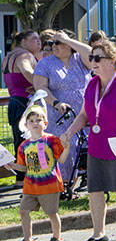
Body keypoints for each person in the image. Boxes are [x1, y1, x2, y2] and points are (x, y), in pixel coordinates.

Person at [58, 38, 116, 241]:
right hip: (97, 144)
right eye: (91, 57)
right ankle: (99, 234)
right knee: (94, 190)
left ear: (112, 61)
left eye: (98, 57)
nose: (93, 61)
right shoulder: (92, 84)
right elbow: (83, 115)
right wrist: (69, 132)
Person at [31, 30, 92, 185]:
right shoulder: (45, 63)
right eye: (52, 43)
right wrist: (56, 103)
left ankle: (89, 181)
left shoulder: (79, 59)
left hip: (85, 113)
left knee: (86, 147)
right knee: (65, 146)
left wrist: (69, 41)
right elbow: (40, 87)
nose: (54, 46)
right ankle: (64, 184)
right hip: (60, 114)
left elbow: (91, 53)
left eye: (58, 42)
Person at [7, 104, 64, 241]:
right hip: (31, 185)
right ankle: (28, 240)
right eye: (31, 121)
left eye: (38, 120)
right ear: (26, 125)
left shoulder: (52, 140)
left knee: (52, 213)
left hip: (49, 184)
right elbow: (24, 167)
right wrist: (11, 165)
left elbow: (62, 159)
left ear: (45, 123)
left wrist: (68, 146)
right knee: (23, 210)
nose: (35, 123)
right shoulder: (23, 146)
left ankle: (57, 238)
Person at [4, 30, 41, 186]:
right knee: (29, 142)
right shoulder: (24, 55)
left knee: (19, 142)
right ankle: (30, 178)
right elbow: (26, 70)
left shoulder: (8, 56)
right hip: (25, 104)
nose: (38, 42)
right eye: (34, 39)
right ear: (23, 42)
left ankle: (20, 179)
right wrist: (40, 85)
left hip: (14, 102)